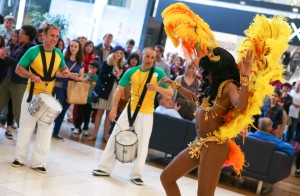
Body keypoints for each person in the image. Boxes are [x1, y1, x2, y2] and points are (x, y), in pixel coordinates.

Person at [159, 47, 253, 195]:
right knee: (167, 177)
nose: (203, 73)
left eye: (206, 69)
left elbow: (241, 107)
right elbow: (195, 99)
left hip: (215, 145)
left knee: (204, 194)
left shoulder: (229, 86)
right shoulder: (212, 87)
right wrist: (175, 84)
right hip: (199, 142)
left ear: (215, 68)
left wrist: (245, 77)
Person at [92, 47, 173, 186]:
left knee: (143, 143)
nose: (149, 60)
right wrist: (114, 109)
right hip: (129, 110)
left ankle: (136, 174)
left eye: (152, 58)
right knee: (115, 136)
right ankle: (104, 168)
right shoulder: (131, 71)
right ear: (142, 55)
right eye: (147, 56)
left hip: (146, 113)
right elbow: (119, 90)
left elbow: (170, 93)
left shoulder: (158, 73)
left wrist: (157, 88)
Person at [11, 24, 69, 174]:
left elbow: (62, 68)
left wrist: (65, 71)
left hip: (48, 97)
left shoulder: (58, 54)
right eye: (52, 35)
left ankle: (38, 162)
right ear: (44, 35)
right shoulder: (33, 51)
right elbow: (19, 68)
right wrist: (31, 75)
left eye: (57, 36)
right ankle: (19, 158)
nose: (54, 39)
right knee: (26, 127)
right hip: (32, 95)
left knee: (46, 129)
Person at [0, 25, 38, 139]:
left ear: (29, 36)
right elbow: (9, 62)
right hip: (7, 78)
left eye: (22, 33)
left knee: (18, 112)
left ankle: (23, 138)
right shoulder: (18, 45)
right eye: (20, 32)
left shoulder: (32, 49)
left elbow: (19, 65)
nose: (19, 35)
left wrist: (5, 57)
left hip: (19, 83)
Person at [88, 45, 125, 141]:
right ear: (113, 53)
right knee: (99, 113)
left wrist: (118, 77)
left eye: (121, 53)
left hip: (114, 91)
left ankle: (105, 136)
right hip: (104, 91)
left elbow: (121, 81)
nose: (119, 54)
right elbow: (101, 77)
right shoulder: (106, 63)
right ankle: (94, 134)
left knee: (109, 115)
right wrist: (111, 74)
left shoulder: (122, 66)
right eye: (117, 52)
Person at [52, 39, 84, 140]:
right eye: (71, 46)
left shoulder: (80, 62)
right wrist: (68, 74)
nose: (73, 48)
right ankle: (46, 128)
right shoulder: (63, 58)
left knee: (63, 110)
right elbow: (56, 72)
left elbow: (81, 77)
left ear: (79, 49)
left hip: (71, 89)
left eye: (75, 46)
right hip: (59, 86)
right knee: (57, 108)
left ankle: (55, 132)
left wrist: (75, 77)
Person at [74, 60, 99, 135]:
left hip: (90, 100)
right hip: (82, 98)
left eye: (93, 68)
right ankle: (77, 127)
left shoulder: (97, 78)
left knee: (87, 115)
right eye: (90, 67)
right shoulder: (85, 75)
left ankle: (85, 128)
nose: (91, 69)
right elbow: (82, 82)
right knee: (79, 114)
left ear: (97, 69)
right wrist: (88, 76)